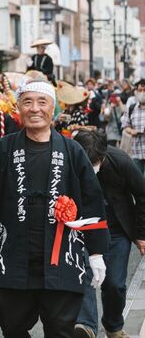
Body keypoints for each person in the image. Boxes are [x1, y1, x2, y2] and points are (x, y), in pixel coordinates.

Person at [0, 80, 109, 338]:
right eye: (27, 102)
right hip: (13, 254)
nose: (34, 109)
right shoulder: (2, 149)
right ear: (18, 108)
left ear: (54, 109)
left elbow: (92, 200)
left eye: (42, 102)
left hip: (61, 256)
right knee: (12, 325)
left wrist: (96, 253)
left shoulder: (72, 151)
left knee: (61, 329)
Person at [73, 130, 145, 338]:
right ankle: (86, 325)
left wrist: (141, 234)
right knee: (84, 276)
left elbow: (142, 195)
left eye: (95, 162)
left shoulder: (120, 161)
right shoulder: (70, 160)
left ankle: (113, 327)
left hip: (115, 230)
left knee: (114, 284)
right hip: (84, 228)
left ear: (103, 156)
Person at [120, 79, 145, 173]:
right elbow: (125, 125)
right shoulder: (132, 108)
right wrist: (131, 131)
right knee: (139, 182)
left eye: (144, 90)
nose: (142, 93)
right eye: (140, 90)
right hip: (136, 151)